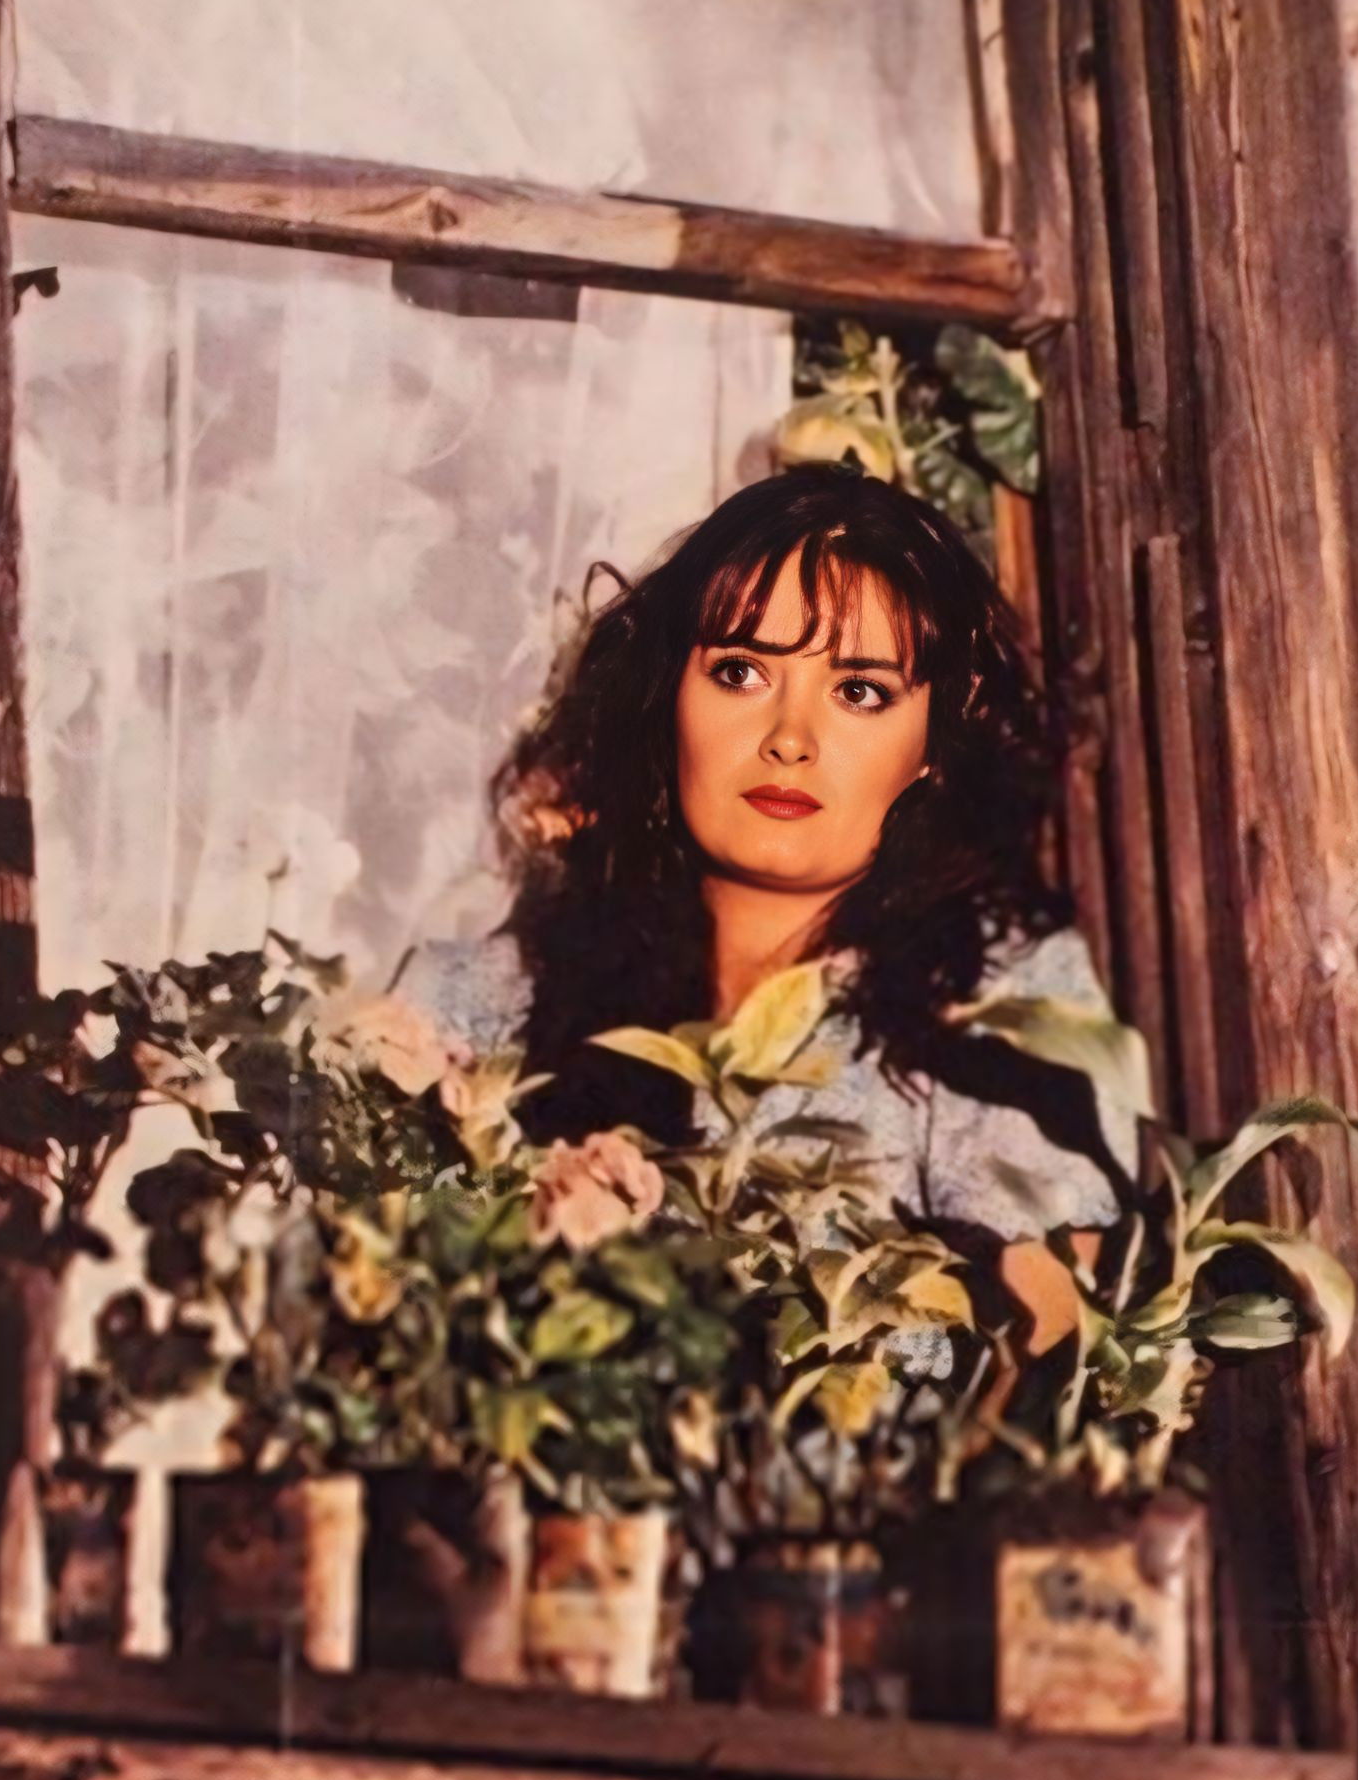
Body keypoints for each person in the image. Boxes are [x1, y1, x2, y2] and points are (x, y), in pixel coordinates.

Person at [401, 462, 1132, 1237]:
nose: (790, 738)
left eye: (859, 691)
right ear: (667, 698)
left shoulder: (1010, 1001)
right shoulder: (474, 1003)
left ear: (934, 743)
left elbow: (1051, 1297)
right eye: (741, 672)